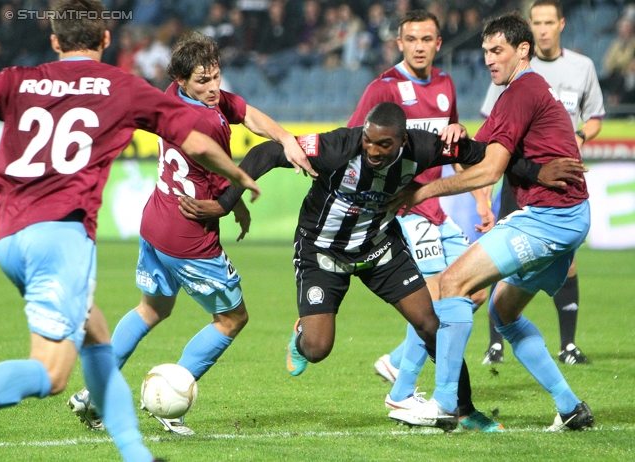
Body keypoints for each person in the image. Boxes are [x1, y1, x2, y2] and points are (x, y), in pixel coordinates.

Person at [177, 101, 578, 431]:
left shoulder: (423, 147)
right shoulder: (338, 146)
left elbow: (485, 155)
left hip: (378, 247)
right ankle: (301, 336)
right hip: (323, 251)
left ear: (402, 141)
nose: (372, 151)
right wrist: (226, 203)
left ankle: (463, 409)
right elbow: (266, 151)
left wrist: (536, 172)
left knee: (431, 324)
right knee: (318, 349)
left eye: (383, 145)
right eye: (368, 142)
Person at [0, 1, 262, 461]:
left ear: (55, 41)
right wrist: (238, 178)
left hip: (8, 235)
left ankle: (133, 451)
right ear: (105, 40)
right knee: (51, 373)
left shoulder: (15, 79)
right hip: (60, 239)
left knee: (102, 336)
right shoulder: (122, 87)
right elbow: (194, 138)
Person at [67, 32, 316, 436]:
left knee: (152, 309)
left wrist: (285, 137)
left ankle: (94, 394)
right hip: (189, 237)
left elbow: (247, 112)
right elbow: (221, 174)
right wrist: (235, 202)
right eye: (203, 81)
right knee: (233, 318)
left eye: (216, 76)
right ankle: (170, 395)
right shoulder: (204, 122)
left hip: (156, 222)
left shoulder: (176, 96)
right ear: (183, 81)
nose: (213, 87)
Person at [387, 12, 594, 432]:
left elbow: (489, 171)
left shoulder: (520, 92)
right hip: (567, 216)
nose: (488, 60)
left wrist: (423, 190)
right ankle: (570, 407)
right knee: (504, 313)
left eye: (497, 51)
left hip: (548, 220)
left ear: (523, 50)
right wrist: (464, 143)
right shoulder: (524, 90)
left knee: (451, 283)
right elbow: (490, 154)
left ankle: (446, 402)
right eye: (484, 51)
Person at [347, 9, 500, 433]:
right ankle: (417, 395)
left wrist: (481, 199)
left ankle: (397, 367)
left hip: (437, 209)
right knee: (437, 301)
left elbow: (453, 148)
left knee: (474, 291)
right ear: (400, 43)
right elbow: (352, 143)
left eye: (427, 39)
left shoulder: (446, 85)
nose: (419, 46)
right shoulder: (383, 88)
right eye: (411, 38)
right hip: (404, 212)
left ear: (438, 43)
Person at [480, 0, 604, 366]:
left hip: (559, 182)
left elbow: (595, 115)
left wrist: (578, 136)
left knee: (562, 263)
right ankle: (496, 344)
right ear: (529, 31)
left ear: (561, 24)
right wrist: (482, 195)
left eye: (549, 21)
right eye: (537, 22)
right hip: (520, 177)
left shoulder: (581, 67)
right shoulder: (511, 74)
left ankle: (566, 345)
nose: (544, 28)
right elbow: (493, 132)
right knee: (496, 257)